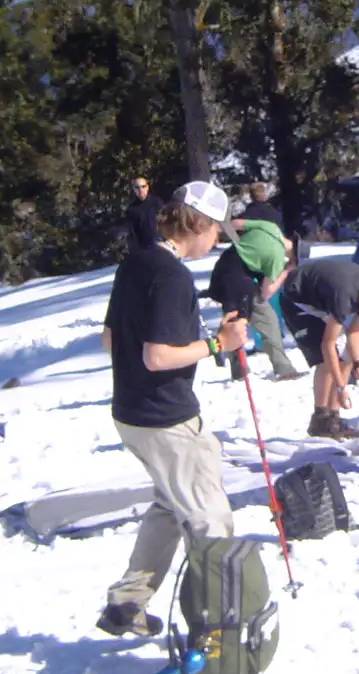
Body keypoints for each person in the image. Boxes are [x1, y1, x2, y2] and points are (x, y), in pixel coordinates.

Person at [96, 180, 248, 638]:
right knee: (209, 517)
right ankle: (217, 629)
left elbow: (110, 340)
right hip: (167, 419)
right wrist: (219, 344)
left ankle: (128, 603)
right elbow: (158, 356)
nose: (217, 240)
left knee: (170, 503)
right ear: (197, 224)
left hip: (130, 413)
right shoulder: (172, 277)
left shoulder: (136, 262)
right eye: (216, 230)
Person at [280, 259, 359, 439]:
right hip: (297, 299)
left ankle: (334, 418)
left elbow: (355, 332)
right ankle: (320, 419)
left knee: (347, 357)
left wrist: (358, 365)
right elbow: (327, 345)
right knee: (326, 360)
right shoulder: (345, 297)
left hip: (323, 297)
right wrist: (340, 387)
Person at [206, 215, 302, 381]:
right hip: (240, 280)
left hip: (223, 267)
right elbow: (266, 293)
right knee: (267, 319)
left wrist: (217, 231)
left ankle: (239, 370)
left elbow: (236, 223)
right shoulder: (276, 257)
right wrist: (286, 271)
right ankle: (284, 369)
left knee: (233, 318)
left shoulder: (271, 227)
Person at [123, 175, 163, 252]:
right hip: (143, 247)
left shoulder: (157, 202)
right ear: (134, 189)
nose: (140, 189)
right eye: (137, 187)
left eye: (143, 186)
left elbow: (166, 221)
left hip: (160, 242)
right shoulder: (131, 209)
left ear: (147, 187)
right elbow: (132, 232)